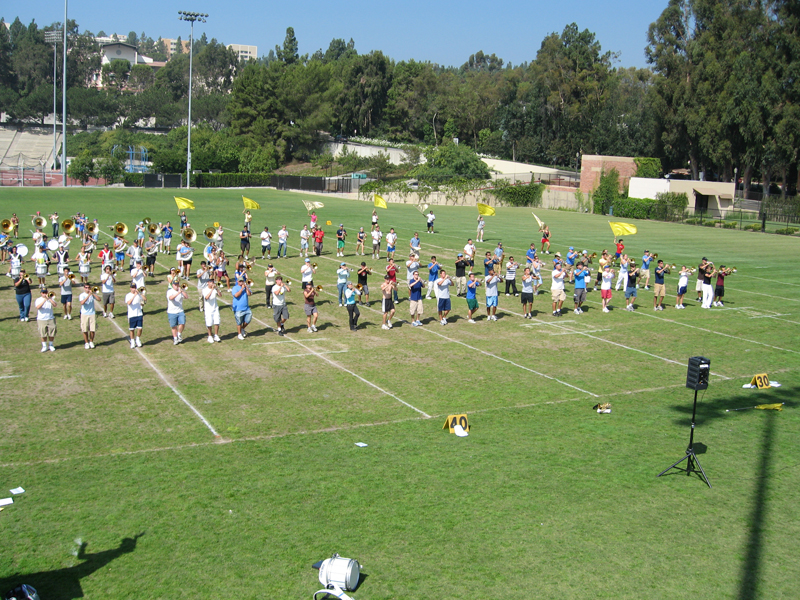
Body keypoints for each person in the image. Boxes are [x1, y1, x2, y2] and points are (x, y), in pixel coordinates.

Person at [78, 282, 101, 349]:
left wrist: (93, 294)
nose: (87, 289)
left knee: (92, 329)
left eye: (88, 287)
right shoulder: (82, 295)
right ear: (84, 288)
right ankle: (86, 342)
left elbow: (99, 299)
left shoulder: (92, 294)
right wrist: (88, 295)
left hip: (92, 313)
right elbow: (82, 303)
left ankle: (91, 341)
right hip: (84, 314)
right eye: (86, 288)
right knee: (85, 329)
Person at [35, 286, 57, 352]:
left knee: (52, 333)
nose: (44, 294)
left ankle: (51, 345)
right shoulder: (38, 300)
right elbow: (38, 307)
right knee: (43, 333)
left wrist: (49, 299)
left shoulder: (51, 299)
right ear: (41, 293)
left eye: (45, 292)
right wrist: (44, 300)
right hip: (41, 319)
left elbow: (55, 305)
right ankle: (44, 346)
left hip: (50, 318)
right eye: (43, 293)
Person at [166, 278, 188, 345]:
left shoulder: (181, 291)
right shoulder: (170, 291)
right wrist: (178, 293)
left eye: (177, 284)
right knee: (174, 326)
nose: (176, 286)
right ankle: (175, 338)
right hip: (172, 312)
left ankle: (179, 334)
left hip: (180, 310)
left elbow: (186, 297)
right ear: (172, 285)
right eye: (175, 285)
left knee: (182, 323)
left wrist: (182, 291)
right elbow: (171, 298)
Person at [125, 283, 145, 348]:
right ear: (130, 288)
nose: (134, 289)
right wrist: (134, 295)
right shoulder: (128, 295)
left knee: (140, 328)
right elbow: (129, 303)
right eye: (132, 287)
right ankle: (132, 341)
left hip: (139, 313)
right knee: (132, 329)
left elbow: (144, 299)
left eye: (134, 287)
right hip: (132, 314)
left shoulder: (139, 295)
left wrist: (139, 294)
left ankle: (138, 339)